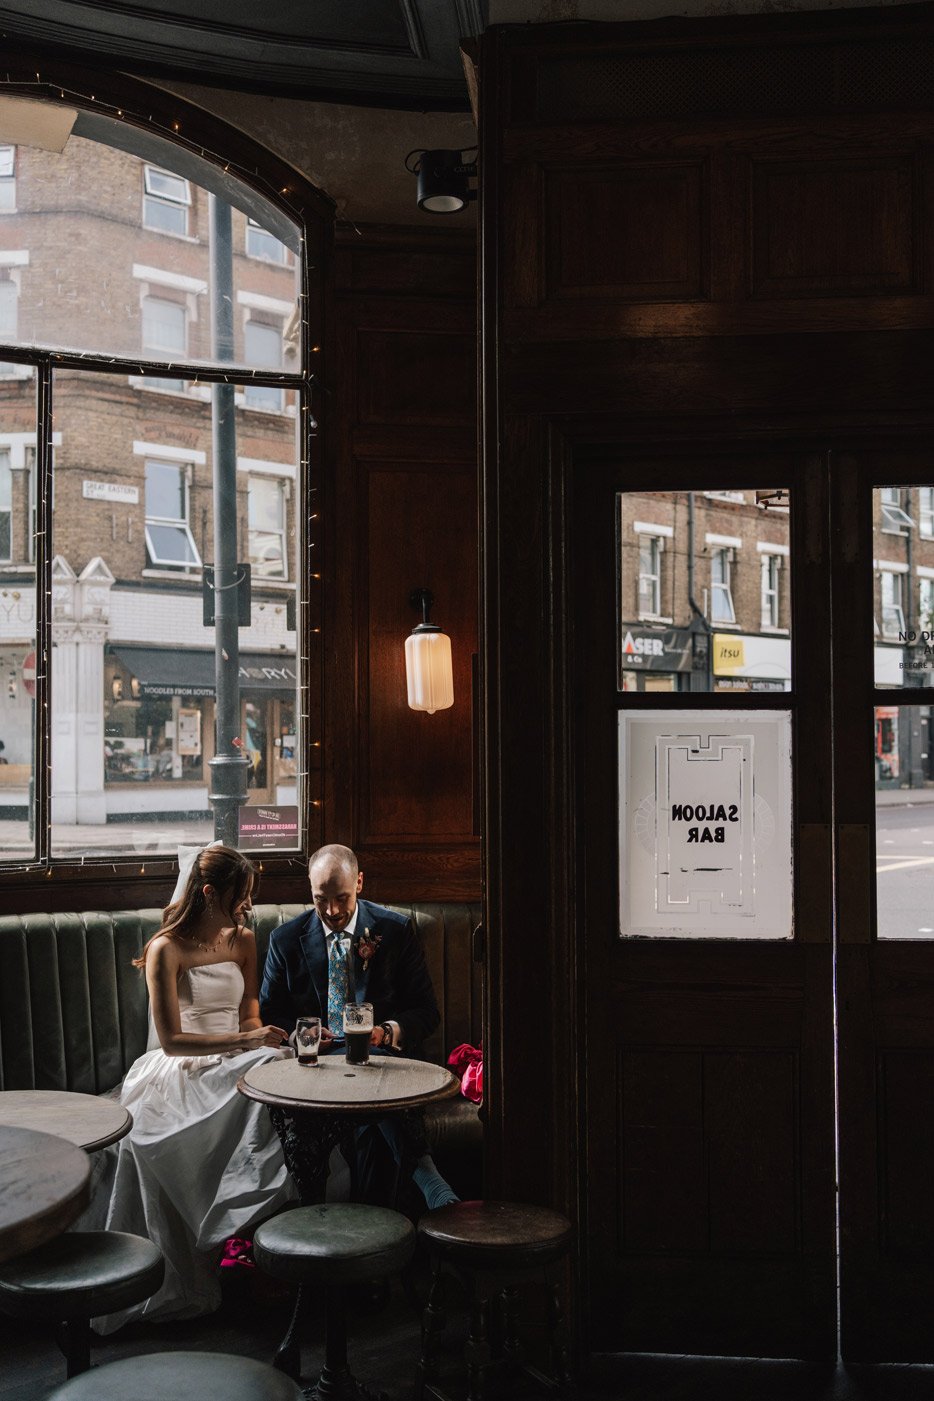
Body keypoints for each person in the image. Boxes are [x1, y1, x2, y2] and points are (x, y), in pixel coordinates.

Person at [82, 845, 295, 1332]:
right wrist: (245, 1041)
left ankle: (267, 1252)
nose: (246, 905)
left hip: (236, 1054)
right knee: (246, 1098)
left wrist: (252, 1041)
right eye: (239, 895)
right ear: (207, 893)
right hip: (182, 1066)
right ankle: (225, 1244)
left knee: (278, 1087)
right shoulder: (166, 949)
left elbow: (250, 1012)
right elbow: (174, 1041)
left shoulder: (242, 939)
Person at [260, 842, 458, 1210]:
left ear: (360, 883)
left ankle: (363, 1237)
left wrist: (385, 1031)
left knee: (370, 1130)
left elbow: (426, 1011)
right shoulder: (284, 941)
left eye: (342, 898)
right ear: (310, 890)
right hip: (318, 1066)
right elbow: (272, 1013)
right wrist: (303, 1036)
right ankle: (423, 1171)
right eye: (321, 899)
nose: (332, 911)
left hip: (383, 1058)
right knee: (360, 1128)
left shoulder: (394, 931)